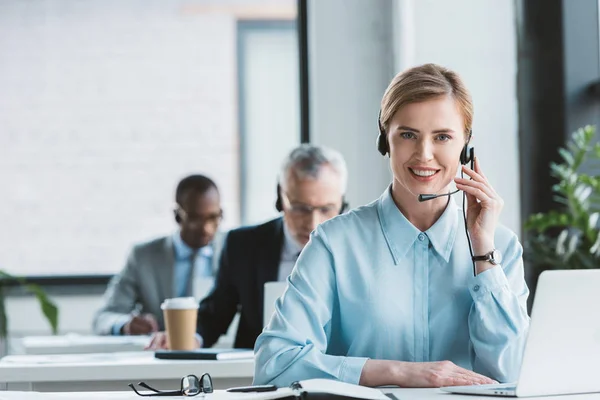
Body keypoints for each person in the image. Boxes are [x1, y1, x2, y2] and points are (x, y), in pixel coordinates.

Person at [253, 64, 530, 388]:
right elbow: (273, 366)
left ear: (466, 146)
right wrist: (396, 372)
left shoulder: (501, 246)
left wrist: (483, 252)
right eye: (408, 135)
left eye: (442, 136)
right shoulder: (335, 243)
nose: (424, 154)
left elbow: (513, 377)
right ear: (385, 140)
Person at [147, 144, 349, 349]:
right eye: (300, 208)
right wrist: (187, 338)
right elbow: (215, 314)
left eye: (326, 209)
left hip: (334, 374)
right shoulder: (243, 246)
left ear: (342, 204)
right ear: (281, 199)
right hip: (257, 373)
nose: (313, 223)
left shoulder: (356, 250)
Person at [93, 174, 223, 335]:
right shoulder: (144, 257)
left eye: (213, 217)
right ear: (178, 215)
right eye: (195, 219)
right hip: (161, 353)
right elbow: (103, 317)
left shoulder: (233, 253)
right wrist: (125, 324)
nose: (206, 228)